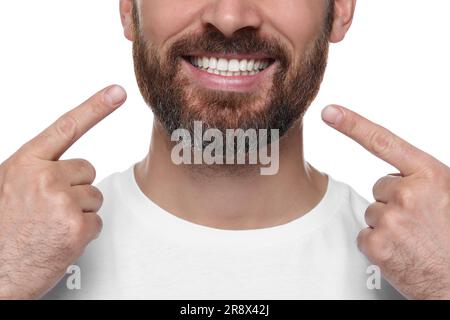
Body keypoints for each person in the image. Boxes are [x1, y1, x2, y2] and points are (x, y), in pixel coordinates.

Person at [0, 0, 449, 300]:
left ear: (340, 11)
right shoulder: (18, 252)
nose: (230, 16)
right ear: (127, 9)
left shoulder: (429, 264)